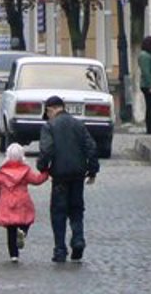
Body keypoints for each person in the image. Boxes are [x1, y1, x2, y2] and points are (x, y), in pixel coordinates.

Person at [38, 95, 99, 263]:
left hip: (59, 176)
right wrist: (92, 170)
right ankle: (78, 240)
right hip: (78, 175)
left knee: (58, 212)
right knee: (76, 209)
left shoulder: (49, 127)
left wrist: (42, 167)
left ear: (50, 110)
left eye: (48, 112)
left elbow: (47, 149)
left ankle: (60, 249)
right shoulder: (78, 125)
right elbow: (91, 147)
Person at [0, 142, 49, 263]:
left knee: (10, 230)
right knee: (25, 221)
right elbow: (37, 180)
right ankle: (23, 232)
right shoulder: (25, 171)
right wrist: (46, 173)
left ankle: (13, 255)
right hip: (22, 200)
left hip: (6, 201)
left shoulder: (0, 173)